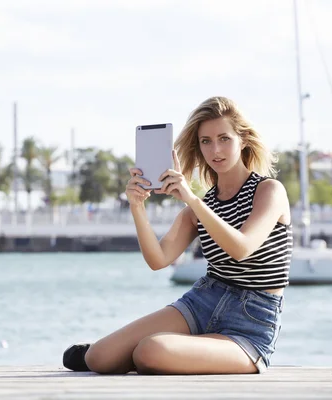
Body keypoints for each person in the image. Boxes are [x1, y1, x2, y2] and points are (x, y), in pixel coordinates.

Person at [62, 96, 292, 375]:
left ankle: (175, 350)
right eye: (206, 141)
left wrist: (193, 200)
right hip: (203, 301)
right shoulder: (198, 209)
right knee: (98, 358)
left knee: (150, 350)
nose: (215, 150)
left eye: (224, 139)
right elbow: (158, 260)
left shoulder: (269, 191)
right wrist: (137, 206)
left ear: (242, 140)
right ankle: (171, 350)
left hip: (251, 321)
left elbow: (242, 248)